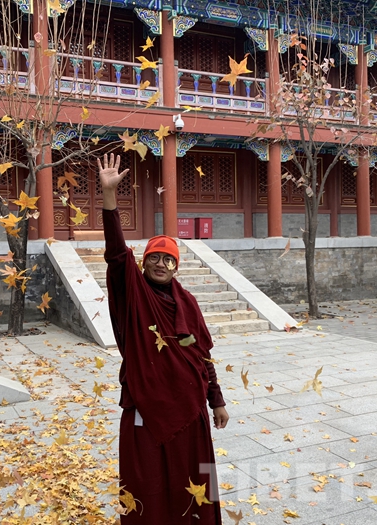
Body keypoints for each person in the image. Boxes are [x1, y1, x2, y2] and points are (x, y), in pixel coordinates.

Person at [98, 153, 229, 523]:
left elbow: (202, 355)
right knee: (147, 486)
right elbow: (116, 254)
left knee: (194, 485)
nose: (161, 264)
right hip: (146, 407)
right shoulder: (133, 292)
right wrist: (109, 197)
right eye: (154, 257)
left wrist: (216, 400)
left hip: (190, 409)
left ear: (176, 267)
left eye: (168, 260)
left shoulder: (188, 303)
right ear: (144, 262)